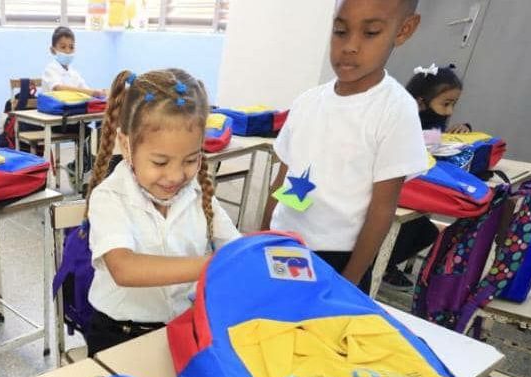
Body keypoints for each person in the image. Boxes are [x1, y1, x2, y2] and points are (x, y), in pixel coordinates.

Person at [263, 0, 428, 293]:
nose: (350, 46)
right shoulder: (307, 102)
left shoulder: (395, 110)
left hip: (339, 260)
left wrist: (349, 281)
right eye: (340, 31)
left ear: (404, 30)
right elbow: (280, 181)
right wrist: (260, 240)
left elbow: (382, 210)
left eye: (371, 32)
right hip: (282, 244)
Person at [85, 68, 240, 356]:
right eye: (159, 162)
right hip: (120, 336)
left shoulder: (198, 194)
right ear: (125, 144)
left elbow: (236, 247)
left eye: (190, 160)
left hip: (184, 328)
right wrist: (213, 265)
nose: (175, 176)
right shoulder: (109, 197)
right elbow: (124, 267)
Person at [383, 62, 473, 287]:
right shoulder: (402, 122)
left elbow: (436, 146)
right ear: (420, 101)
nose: (450, 111)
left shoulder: (434, 122)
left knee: (428, 231)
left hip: (416, 190)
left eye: (454, 104)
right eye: (446, 104)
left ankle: (384, 265)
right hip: (393, 195)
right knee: (413, 230)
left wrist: (461, 132)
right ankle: (379, 265)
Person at [42, 26, 105, 98]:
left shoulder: (73, 73)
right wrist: (92, 92)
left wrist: (98, 93)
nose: (68, 51)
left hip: (71, 108)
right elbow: (58, 88)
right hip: (52, 109)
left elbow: (86, 90)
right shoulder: (50, 70)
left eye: (71, 47)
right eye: (63, 47)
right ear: (53, 50)